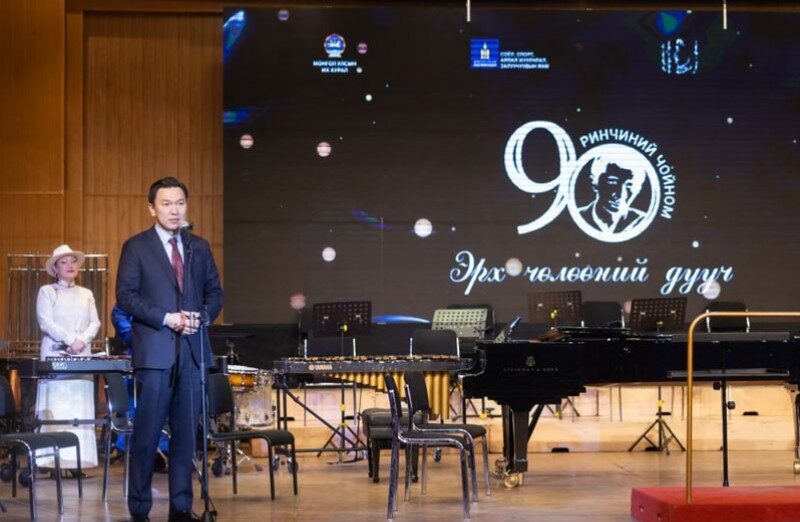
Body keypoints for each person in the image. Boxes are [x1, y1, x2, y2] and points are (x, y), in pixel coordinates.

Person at [117, 177, 223, 522]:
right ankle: (140, 510)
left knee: (186, 438)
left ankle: (181, 508)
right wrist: (167, 318)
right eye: (166, 203)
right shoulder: (136, 247)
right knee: (147, 436)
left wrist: (201, 317)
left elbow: (215, 293)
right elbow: (126, 296)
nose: (174, 210)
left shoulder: (198, 247)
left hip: (192, 352)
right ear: (152, 208)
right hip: (155, 353)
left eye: (180, 203)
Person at [35, 244, 101, 471]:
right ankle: (51, 460)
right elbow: (45, 322)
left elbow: (95, 323)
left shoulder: (86, 293)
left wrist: (81, 341)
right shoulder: (47, 291)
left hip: (81, 355)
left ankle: (78, 461)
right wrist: (71, 339)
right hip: (56, 353)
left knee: (78, 406)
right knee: (57, 405)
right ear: (55, 269)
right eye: (64, 262)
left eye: (73, 261)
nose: (70, 265)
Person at [578, 157, 647, 234]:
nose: (621, 194)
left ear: (638, 190)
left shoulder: (643, 221)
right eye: (613, 182)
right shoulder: (578, 217)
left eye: (629, 185)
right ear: (594, 183)